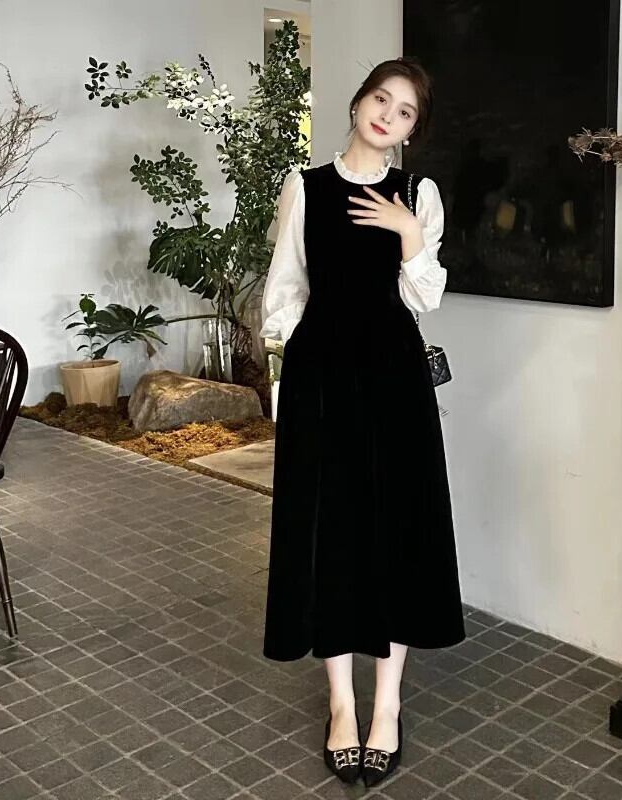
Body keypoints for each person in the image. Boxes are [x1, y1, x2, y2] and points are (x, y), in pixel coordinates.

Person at [259, 56, 466, 788]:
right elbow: (285, 290)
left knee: (395, 530)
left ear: (413, 129)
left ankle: (389, 705)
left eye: (405, 111)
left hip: (395, 383)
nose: (388, 115)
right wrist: (294, 375)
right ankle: (342, 705)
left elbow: (425, 298)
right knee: (332, 532)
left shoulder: (418, 194)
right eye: (382, 98)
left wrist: (408, 233)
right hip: (321, 383)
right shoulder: (306, 186)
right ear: (357, 102)